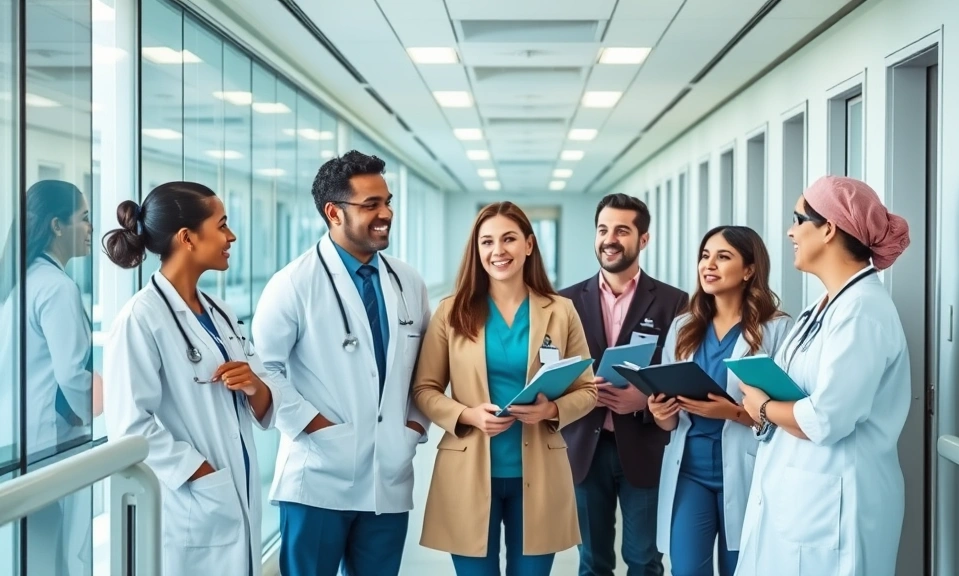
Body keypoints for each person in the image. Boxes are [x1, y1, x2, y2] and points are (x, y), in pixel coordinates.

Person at [251, 151, 431, 576]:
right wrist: (315, 427)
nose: (386, 213)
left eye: (387, 202)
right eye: (371, 205)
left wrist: (414, 427)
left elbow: (428, 366)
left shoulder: (407, 280)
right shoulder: (293, 282)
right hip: (317, 480)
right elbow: (263, 369)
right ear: (334, 212)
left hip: (387, 475)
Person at [734, 176, 912, 576]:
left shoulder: (863, 310)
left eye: (799, 219)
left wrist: (761, 406)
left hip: (837, 504)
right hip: (800, 496)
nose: (790, 231)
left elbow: (824, 419)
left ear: (829, 228)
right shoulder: (825, 305)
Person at [412, 201, 598, 576]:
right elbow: (424, 389)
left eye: (509, 239)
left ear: (529, 245)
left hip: (539, 472)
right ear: (477, 250)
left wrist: (552, 411)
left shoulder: (560, 311)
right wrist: (465, 414)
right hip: (467, 470)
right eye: (487, 242)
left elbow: (587, 389)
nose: (498, 251)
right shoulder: (452, 312)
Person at [103, 181, 278, 576]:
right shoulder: (140, 319)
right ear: (187, 238)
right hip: (193, 503)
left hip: (234, 494)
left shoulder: (220, 312)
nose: (231, 236)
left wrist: (256, 386)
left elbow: (265, 391)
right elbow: (131, 427)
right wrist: (202, 475)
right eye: (222, 225)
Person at [647, 226, 792, 576]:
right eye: (705, 255)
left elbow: (790, 417)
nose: (708, 265)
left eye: (723, 257)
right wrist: (659, 412)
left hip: (748, 471)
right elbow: (671, 421)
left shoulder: (777, 330)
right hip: (690, 473)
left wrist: (732, 413)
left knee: (742, 570)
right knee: (686, 570)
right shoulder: (684, 326)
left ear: (749, 270)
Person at [559, 193, 688, 576]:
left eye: (621, 230)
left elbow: (680, 374)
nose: (609, 239)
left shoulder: (673, 302)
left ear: (643, 239)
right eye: (602, 230)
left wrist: (644, 400)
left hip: (646, 447)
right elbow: (551, 369)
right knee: (592, 562)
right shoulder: (566, 302)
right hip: (584, 446)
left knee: (645, 560)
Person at [0, 180, 100, 576]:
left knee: (27, 554)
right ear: (57, 226)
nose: (91, 228)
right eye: (85, 218)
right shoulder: (57, 288)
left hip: (16, 437)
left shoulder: (20, 281)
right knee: (49, 554)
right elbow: (73, 374)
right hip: (46, 442)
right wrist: (101, 409)